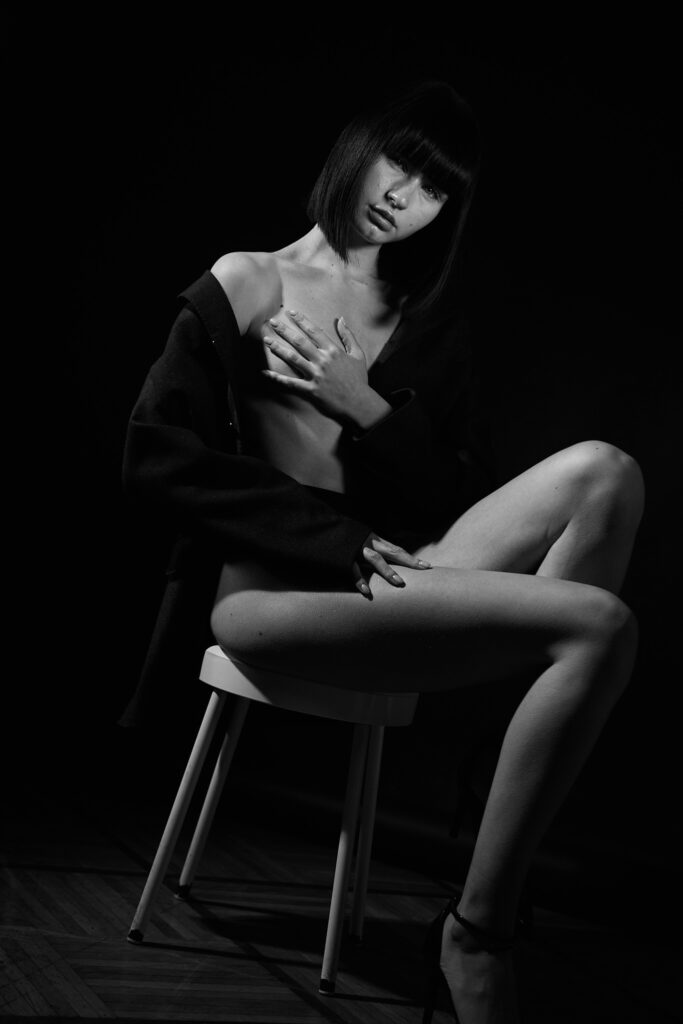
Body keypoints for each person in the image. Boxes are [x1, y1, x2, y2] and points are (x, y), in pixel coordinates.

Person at [122, 80, 643, 1023]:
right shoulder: (248, 280)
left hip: (398, 573)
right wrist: (336, 538)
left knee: (606, 472)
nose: (403, 197)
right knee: (598, 624)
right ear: (356, 151)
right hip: (275, 592)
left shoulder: (426, 320)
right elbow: (158, 457)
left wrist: (363, 405)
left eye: (433, 190)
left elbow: (451, 496)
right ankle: (479, 929)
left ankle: (503, 818)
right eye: (398, 164)